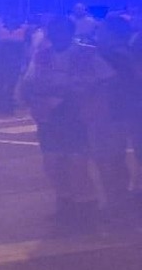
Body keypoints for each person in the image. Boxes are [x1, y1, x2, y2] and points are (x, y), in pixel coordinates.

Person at [20, 14, 114, 224]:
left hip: (76, 114)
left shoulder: (86, 53)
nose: (55, 33)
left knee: (76, 162)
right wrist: (32, 100)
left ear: (70, 32)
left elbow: (106, 80)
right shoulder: (42, 55)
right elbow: (30, 81)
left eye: (60, 29)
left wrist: (96, 108)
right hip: (49, 115)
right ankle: (64, 201)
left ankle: (87, 205)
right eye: (52, 29)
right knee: (53, 162)